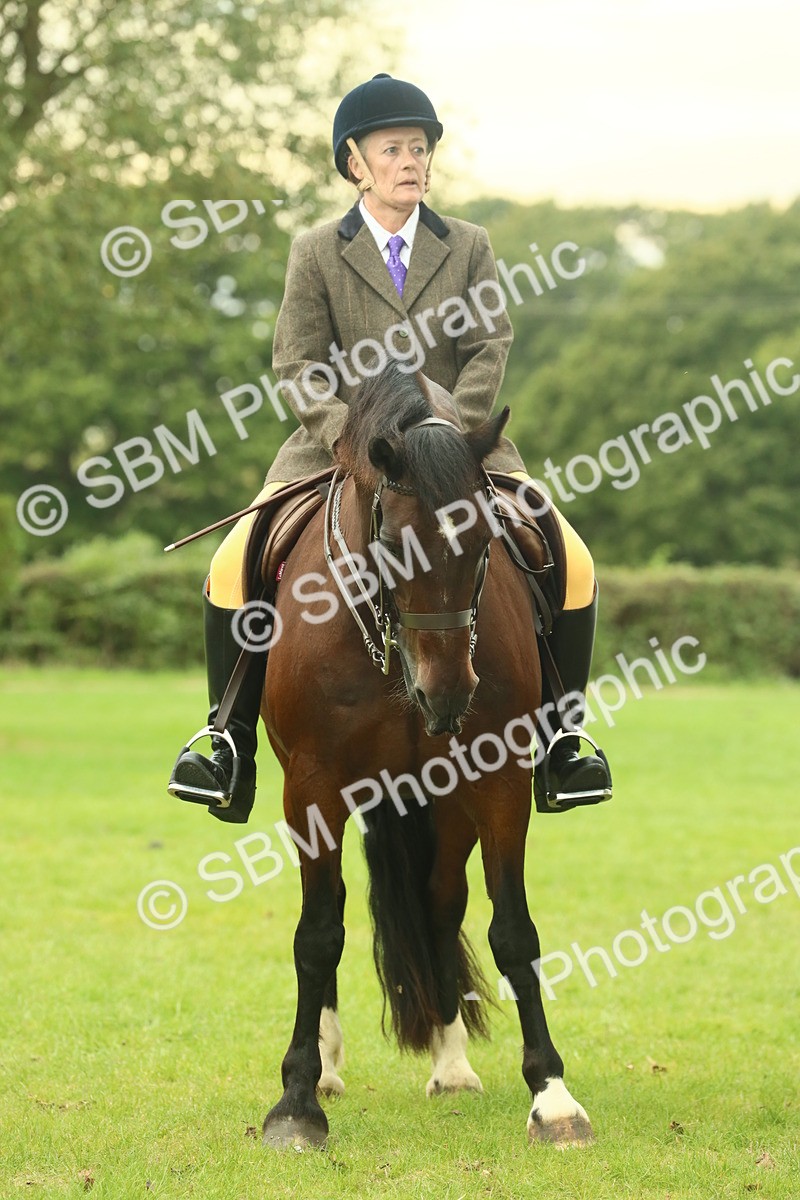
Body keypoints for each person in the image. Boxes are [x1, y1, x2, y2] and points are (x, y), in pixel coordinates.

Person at [168, 73, 612, 822]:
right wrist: (353, 437)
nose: (412, 161)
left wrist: (448, 437)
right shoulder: (315, 250)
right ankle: (227, 740)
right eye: (394, 149)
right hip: (340, 451)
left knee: (573, 557)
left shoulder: (468, 244)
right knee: (229, 561)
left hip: (463, 452)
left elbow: (489, 345)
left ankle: (563, 740)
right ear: (356, 163)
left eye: (420, 148)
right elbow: (296, 363)